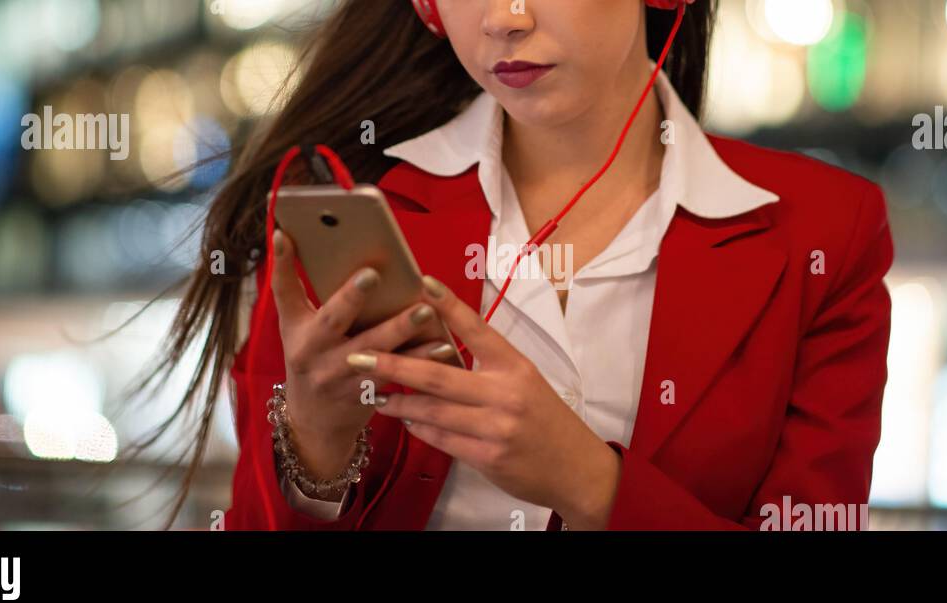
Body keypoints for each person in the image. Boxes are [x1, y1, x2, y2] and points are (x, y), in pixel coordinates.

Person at [153, 0, 894, 531]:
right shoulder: (347, 216)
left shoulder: (825, 235)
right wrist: (314, 442)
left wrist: (589, 483)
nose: (504, 17)